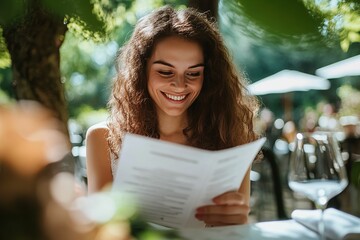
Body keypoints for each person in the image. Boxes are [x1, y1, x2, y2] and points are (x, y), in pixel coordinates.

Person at [86, 5, 260, 227]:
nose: (180, 85)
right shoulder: (102, 139)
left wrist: (236, 220)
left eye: (193, 73)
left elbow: (234, 228)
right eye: (165, 71)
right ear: (141, 71)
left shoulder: (228, 137)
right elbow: (101, 231)